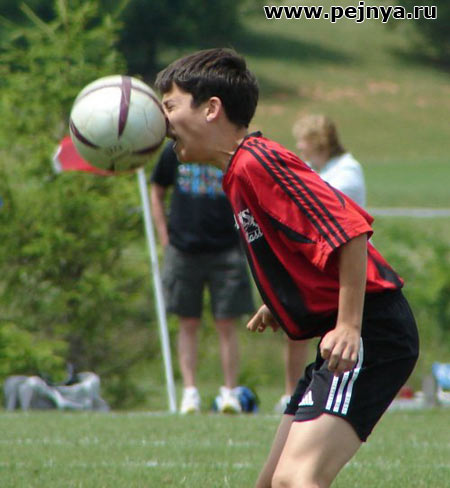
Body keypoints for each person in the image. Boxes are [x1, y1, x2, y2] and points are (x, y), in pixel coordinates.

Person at [155, 48, 419, 487]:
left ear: (211, 109)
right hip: (348, 336)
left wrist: (349, 326)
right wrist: (283, 298)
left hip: (372, 334)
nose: (162, 121)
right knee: (272, 482)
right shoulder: (238, 172)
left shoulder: (258, 162)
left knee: (296, 479)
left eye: (170, 106)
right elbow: (303, 245)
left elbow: (350, 232)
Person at [150, 140, 254, 414]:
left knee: (227, 323)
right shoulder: (175, 150)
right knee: (188, 322)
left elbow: (249, 194)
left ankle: (230, 392)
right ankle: (190, 392)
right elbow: (157, 190)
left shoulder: (227, 149)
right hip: (183, 248)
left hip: (226, 248)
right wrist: (164, 238)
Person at [274, 114, 367, 413]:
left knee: (336, 335)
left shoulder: (348, 170)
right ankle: (292, 393)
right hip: (316, 265)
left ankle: (331, 394)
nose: (300, 146)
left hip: (344, 269)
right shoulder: (315, 168)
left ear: (320, 141)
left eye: (304, 140)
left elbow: (316, 205)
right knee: (295, 328)